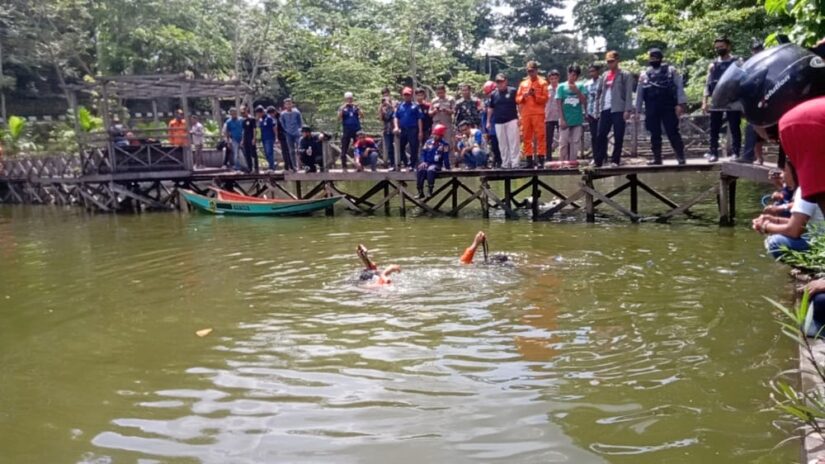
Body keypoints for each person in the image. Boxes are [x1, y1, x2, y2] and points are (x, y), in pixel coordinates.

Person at [634, 48, 688, 165]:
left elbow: (679, 88)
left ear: (660, 58)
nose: (653, 60)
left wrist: (680, 104)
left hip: (668, 106)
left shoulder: (671, 71)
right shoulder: (645, 74)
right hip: (651, 107)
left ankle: (680, 156)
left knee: (672, 131)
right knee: (654, 133)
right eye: (651, 58)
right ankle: (657, 158)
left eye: (656, 58)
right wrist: (637, 111)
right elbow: (640, 93)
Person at [703, 36, 742, 163]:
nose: (719, 49)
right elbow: (707, 84)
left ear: (728, 46)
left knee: (735, 126)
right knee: (714, 127)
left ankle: (736, 153)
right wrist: (705, 101)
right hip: (716, 99)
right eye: (717, 48)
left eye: (722, 47)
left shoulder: (737, 62)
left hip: (733, 99)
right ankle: (713, 152)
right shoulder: (713, 65)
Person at [594, 51, 634, 167]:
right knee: (601, 134)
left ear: (617, 61)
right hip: (605, 108)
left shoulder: (625, 75)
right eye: (608, 62)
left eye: (612, 61)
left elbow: (628, 94)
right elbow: (599, 92)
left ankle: (615, 160)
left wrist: (627, 110)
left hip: (619, 108)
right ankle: (598, 160)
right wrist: (597, 107)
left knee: (618, 135)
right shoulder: (605, 75)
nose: (610, 64)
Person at [738, 39, 767, 165]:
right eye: (755, 50)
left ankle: (751, 156)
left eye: (759, 49)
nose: (757, 52)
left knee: (761, 129)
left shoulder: (769, 61)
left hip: (767, 98)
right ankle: (752, 156)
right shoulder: (749, 65)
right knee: (752, 127)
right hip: (754, 101)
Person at [516, 61, 549, 168]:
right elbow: (517, 99)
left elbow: (545, 99)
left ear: (536, 70)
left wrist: (535, 95)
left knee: (540, 137)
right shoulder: (523, 84)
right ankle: (529, 160)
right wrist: (524, 96)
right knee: (526, 137)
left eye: (532, 71)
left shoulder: (543, 83)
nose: (530, 73)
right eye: (528, 71)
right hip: (526, 114)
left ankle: (541, 160)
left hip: (538, 114)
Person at [487, 74, 520, 169]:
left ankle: (515, 163)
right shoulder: (494, 94)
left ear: (506, 81)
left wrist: (520, 117)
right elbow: (490, 108)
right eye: (498, 82)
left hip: (511, 120)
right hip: (498, 122)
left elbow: (519, 104)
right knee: (502, 144)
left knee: (513, 142)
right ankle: (505, 163)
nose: (500, 84)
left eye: (502, 81)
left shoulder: (513, 91)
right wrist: (488, 121)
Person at [556, 65, 587, 164]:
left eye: (575, 75)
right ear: (568, 74)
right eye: (571, 74)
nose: (573, 77)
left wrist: (577, 91)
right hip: (565, 119)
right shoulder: (561, 86)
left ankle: (573, 162)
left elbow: (584, 101)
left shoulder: (581, 86)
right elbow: (558, 104)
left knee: (575, 142)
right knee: (563, 142)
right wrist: (561, 119)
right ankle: (561, 163)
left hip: (577, 119)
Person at [393, 87, 424, 171]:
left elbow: (419, 119)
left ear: (411, 96)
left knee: (414, 147)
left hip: (413, 129)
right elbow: (396, 117)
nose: (406, 96)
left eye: (408, 95)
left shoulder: (416, 106)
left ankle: (412, 165)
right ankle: (406, 163)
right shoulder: (400, 106)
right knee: (400, 147)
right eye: (405, 95)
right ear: (403, 95)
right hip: (403, 129)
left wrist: (420, 132)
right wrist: (396, 127)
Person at [416, 123, 450, 199]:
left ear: (441, 135)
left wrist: (447, 167)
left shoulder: (445, 145)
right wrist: (423, 162)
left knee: (430, 170)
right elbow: (423, 153)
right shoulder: (428, 142)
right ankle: (420, 191)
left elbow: (446, 157)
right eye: (434, 134)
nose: (435, 136)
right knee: (420, 169)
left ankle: (430, 190)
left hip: (436, 164)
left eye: (437, 134)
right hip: (427, 162)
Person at [429, 84, 455, 170]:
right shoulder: (433, 101)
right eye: (438, 93)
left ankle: (450, 163)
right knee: (436, 143)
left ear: (445, 91)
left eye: (442, 92)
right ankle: (436, 162)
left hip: (446, 124)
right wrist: (435, 110)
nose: (440, 94)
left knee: (447, 144)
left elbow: (454, 111)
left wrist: (446, 110)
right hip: (436, 124)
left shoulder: (450, 99)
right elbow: (429, 113)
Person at [339, 92, 363, 171]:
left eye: (350, 98)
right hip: (347, 130)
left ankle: (359, 165)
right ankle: (344, 166)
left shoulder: (355, 107)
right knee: (344, 147)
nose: (349, 100)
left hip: (356, 130)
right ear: (345, 99)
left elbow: (362, 116)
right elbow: (339, 118)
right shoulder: (343, 108)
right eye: (348, 99)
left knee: (358, 148)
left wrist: (358, 108)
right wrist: (343, 108)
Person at [480, 80, 501, 168]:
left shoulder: (499, 98)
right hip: (491, 129)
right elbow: (484, 118)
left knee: (500, 146)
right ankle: (496, 161)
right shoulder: (486, 102)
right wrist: (484, 130)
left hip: (500, 126)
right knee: (493, 146)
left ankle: (500, 161)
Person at [280, 98, 303, 169]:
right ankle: (294, 166)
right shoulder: (283, 114)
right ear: (285, 105)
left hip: (297, 133)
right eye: (287, 104)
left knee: (300, 149)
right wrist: (286, 130)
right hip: (288, 134)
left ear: (292, 104)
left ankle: (301, 164)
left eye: (290, 103)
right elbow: (282, 124)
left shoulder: (296, 112)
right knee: (291, 150)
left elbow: (300, 122)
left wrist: (300, 130)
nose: (289, 105)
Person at [544, 69, 561, 162]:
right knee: (548, 139)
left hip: (559, 116)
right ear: (549, 79)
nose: (554, 80)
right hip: (548, 117)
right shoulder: (546, 89)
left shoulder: (561, 88)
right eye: (551, 78)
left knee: (562, 138)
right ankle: (548, 158)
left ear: (558, 78)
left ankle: (562, 157)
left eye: (555, 78)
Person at [585, 65, 601, 160]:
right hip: (591, 113)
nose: (592, 73)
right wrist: (586, 112)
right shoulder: (587, 84)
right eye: (590, 71)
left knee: (602, 135)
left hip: (601, 112)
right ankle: (595, 157)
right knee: (593, 136)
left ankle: (603, 156)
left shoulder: (603, 82)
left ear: (597, 71)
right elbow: (585, 99)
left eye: (594, 71)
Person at [378, 88, 396, 169]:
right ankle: (391, 163)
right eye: (383, 94)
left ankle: (399, 163)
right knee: (389, 147)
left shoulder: (395, 102)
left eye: (386, 94)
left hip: (395, 128)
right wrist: (381, 108)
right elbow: (381, 118)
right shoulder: (382, 105)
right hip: (386, 129)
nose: (385, 96)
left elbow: (396, 113)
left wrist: (389, 104)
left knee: (399, 146)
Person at [274, 106, 295, 172]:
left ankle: (291, 166)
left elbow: (278, 128)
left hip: (285, 136)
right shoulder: (277, 118)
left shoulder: (280, 118)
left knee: (287, 152)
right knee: (285, 152)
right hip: (282, 136)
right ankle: (288, 166)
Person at [259, 106, 278, 171]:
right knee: (266, 153)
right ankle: (272, 164)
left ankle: (271, 167)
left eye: (259, 113)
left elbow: (274, 128)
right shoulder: (261, 119)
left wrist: (276, 137)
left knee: (269, 152)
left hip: (269, 138)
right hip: (263, 138)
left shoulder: (269, 118)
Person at [241, 105, 258, 173]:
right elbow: (243, 130)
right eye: (242, 113)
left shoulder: (252, 119)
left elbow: (254, 129)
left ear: (246, 111)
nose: (243, 114)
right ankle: (249, 168)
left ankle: (256, 168)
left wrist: (254, 138)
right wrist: (242, 140)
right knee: (247, 153)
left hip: (251, 137)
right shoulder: (243, 120)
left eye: (243, 112)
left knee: (253, 153)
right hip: (245, 138)